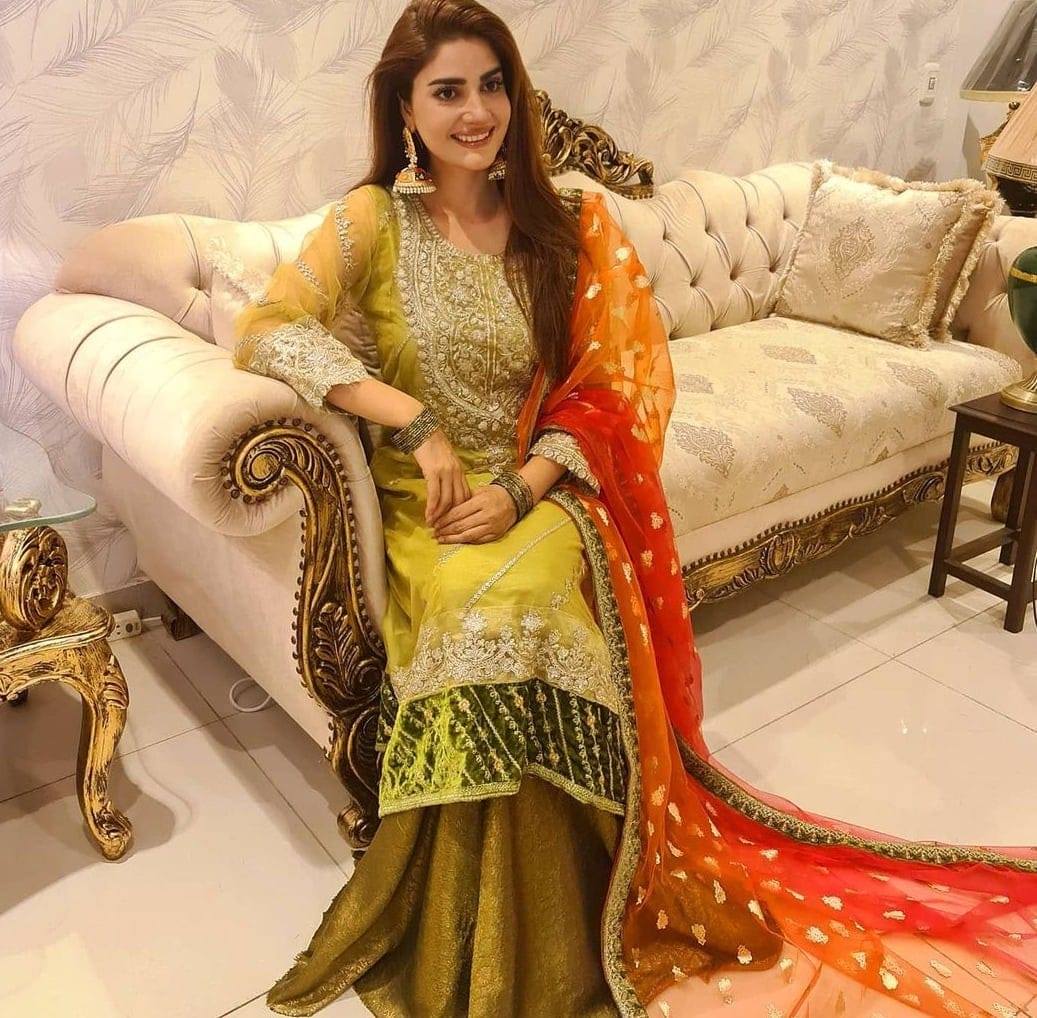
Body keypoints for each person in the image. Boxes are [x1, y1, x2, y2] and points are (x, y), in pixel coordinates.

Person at [233, 2, 1037, 1015]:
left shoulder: (563, 226)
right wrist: (411, 420)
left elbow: (612, 389)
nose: (475, 111)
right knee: (477, 623)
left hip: (542, 483)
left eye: (492, 86)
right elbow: (267, 328)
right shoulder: (370, 222)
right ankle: (482, 926)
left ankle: (576, 908)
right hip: (426, 504)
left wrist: (523, 487)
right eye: (447, 91)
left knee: (525, 611)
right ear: (404, 109)